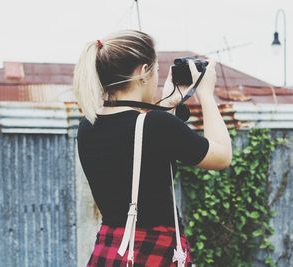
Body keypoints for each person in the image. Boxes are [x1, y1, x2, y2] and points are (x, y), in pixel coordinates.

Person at [74, 29, 232, 267]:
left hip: (111, 248)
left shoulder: (88, 125)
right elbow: (221, 156)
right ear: (143, 72)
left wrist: (168, 102)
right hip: (152, 249)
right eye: (156, 71)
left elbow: (138, 139)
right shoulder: (157, 125)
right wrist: (206, 94)